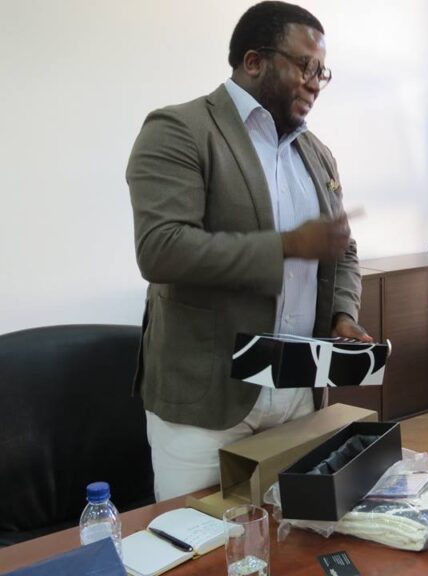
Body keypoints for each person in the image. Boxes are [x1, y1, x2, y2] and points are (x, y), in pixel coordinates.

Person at [126, 1, 371, 501]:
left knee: (293, 528)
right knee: (200, 536)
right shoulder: (179, 130)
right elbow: (161, 249)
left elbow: (342, 250)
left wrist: (342, 315)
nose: (315, 83)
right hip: (206, 398)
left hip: (298, 390)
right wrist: (288, 246)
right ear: (254, 61)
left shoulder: (318, 154)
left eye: (322, 72)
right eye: (305, 66)